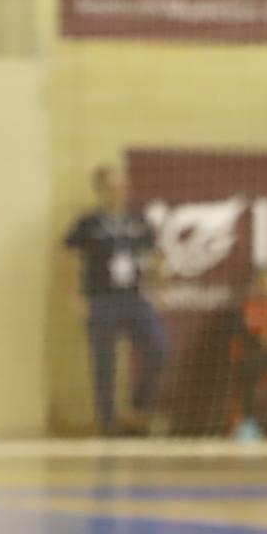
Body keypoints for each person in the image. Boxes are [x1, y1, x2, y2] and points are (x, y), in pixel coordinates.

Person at [64, 164, 170, 435]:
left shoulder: (138, 221)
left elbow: (156, 255)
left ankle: (139, 408)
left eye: (121, 186)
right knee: (104, 361)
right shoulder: (88, 223)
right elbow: (68, 256)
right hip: (101, 298)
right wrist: (74, 294)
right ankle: (108, 423)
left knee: (159, 348)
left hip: (134, 297)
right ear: (100, 190)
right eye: (111, 187)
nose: (118, 192)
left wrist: (158, 288)